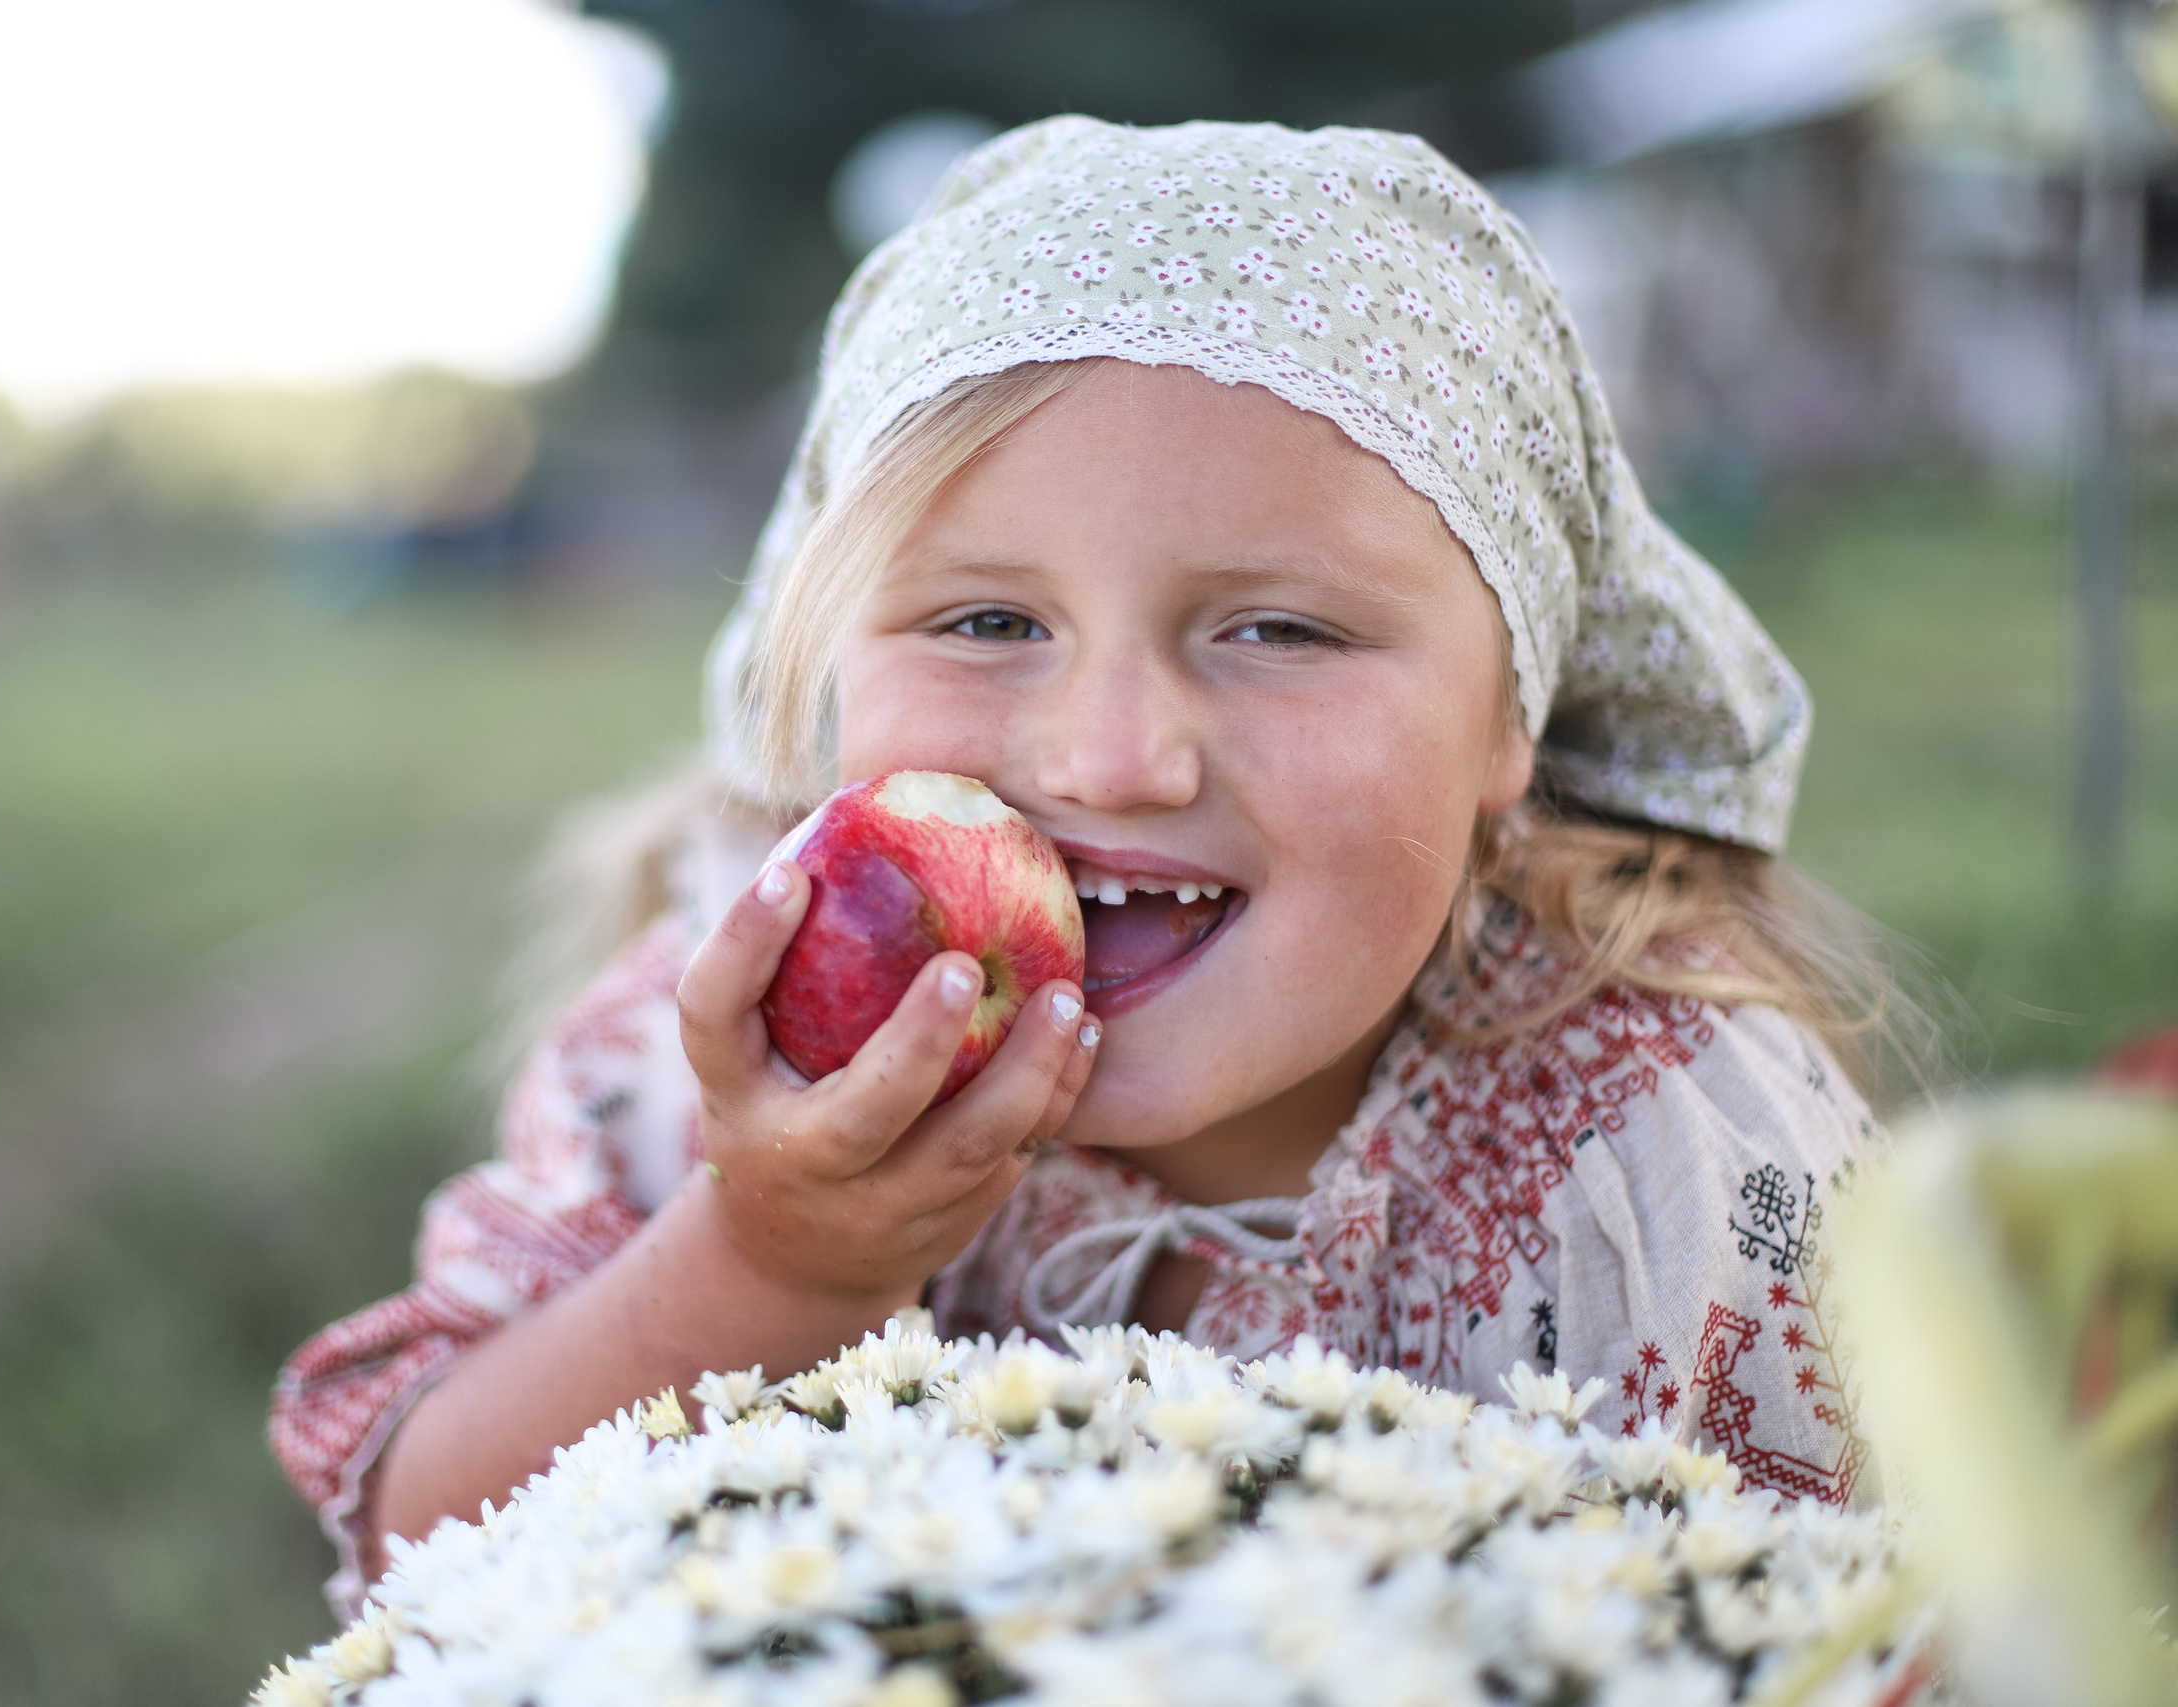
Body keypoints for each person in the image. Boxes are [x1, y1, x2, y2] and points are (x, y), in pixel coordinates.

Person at [269, 116, 1922, 1615]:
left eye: (1281, 631)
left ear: (1514, 718)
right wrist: (771, 1262)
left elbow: (1847, 1638)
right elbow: (425, 1548)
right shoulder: (721, 1046)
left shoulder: (1658, 1164)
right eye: (990, 621)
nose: (1111, 758)